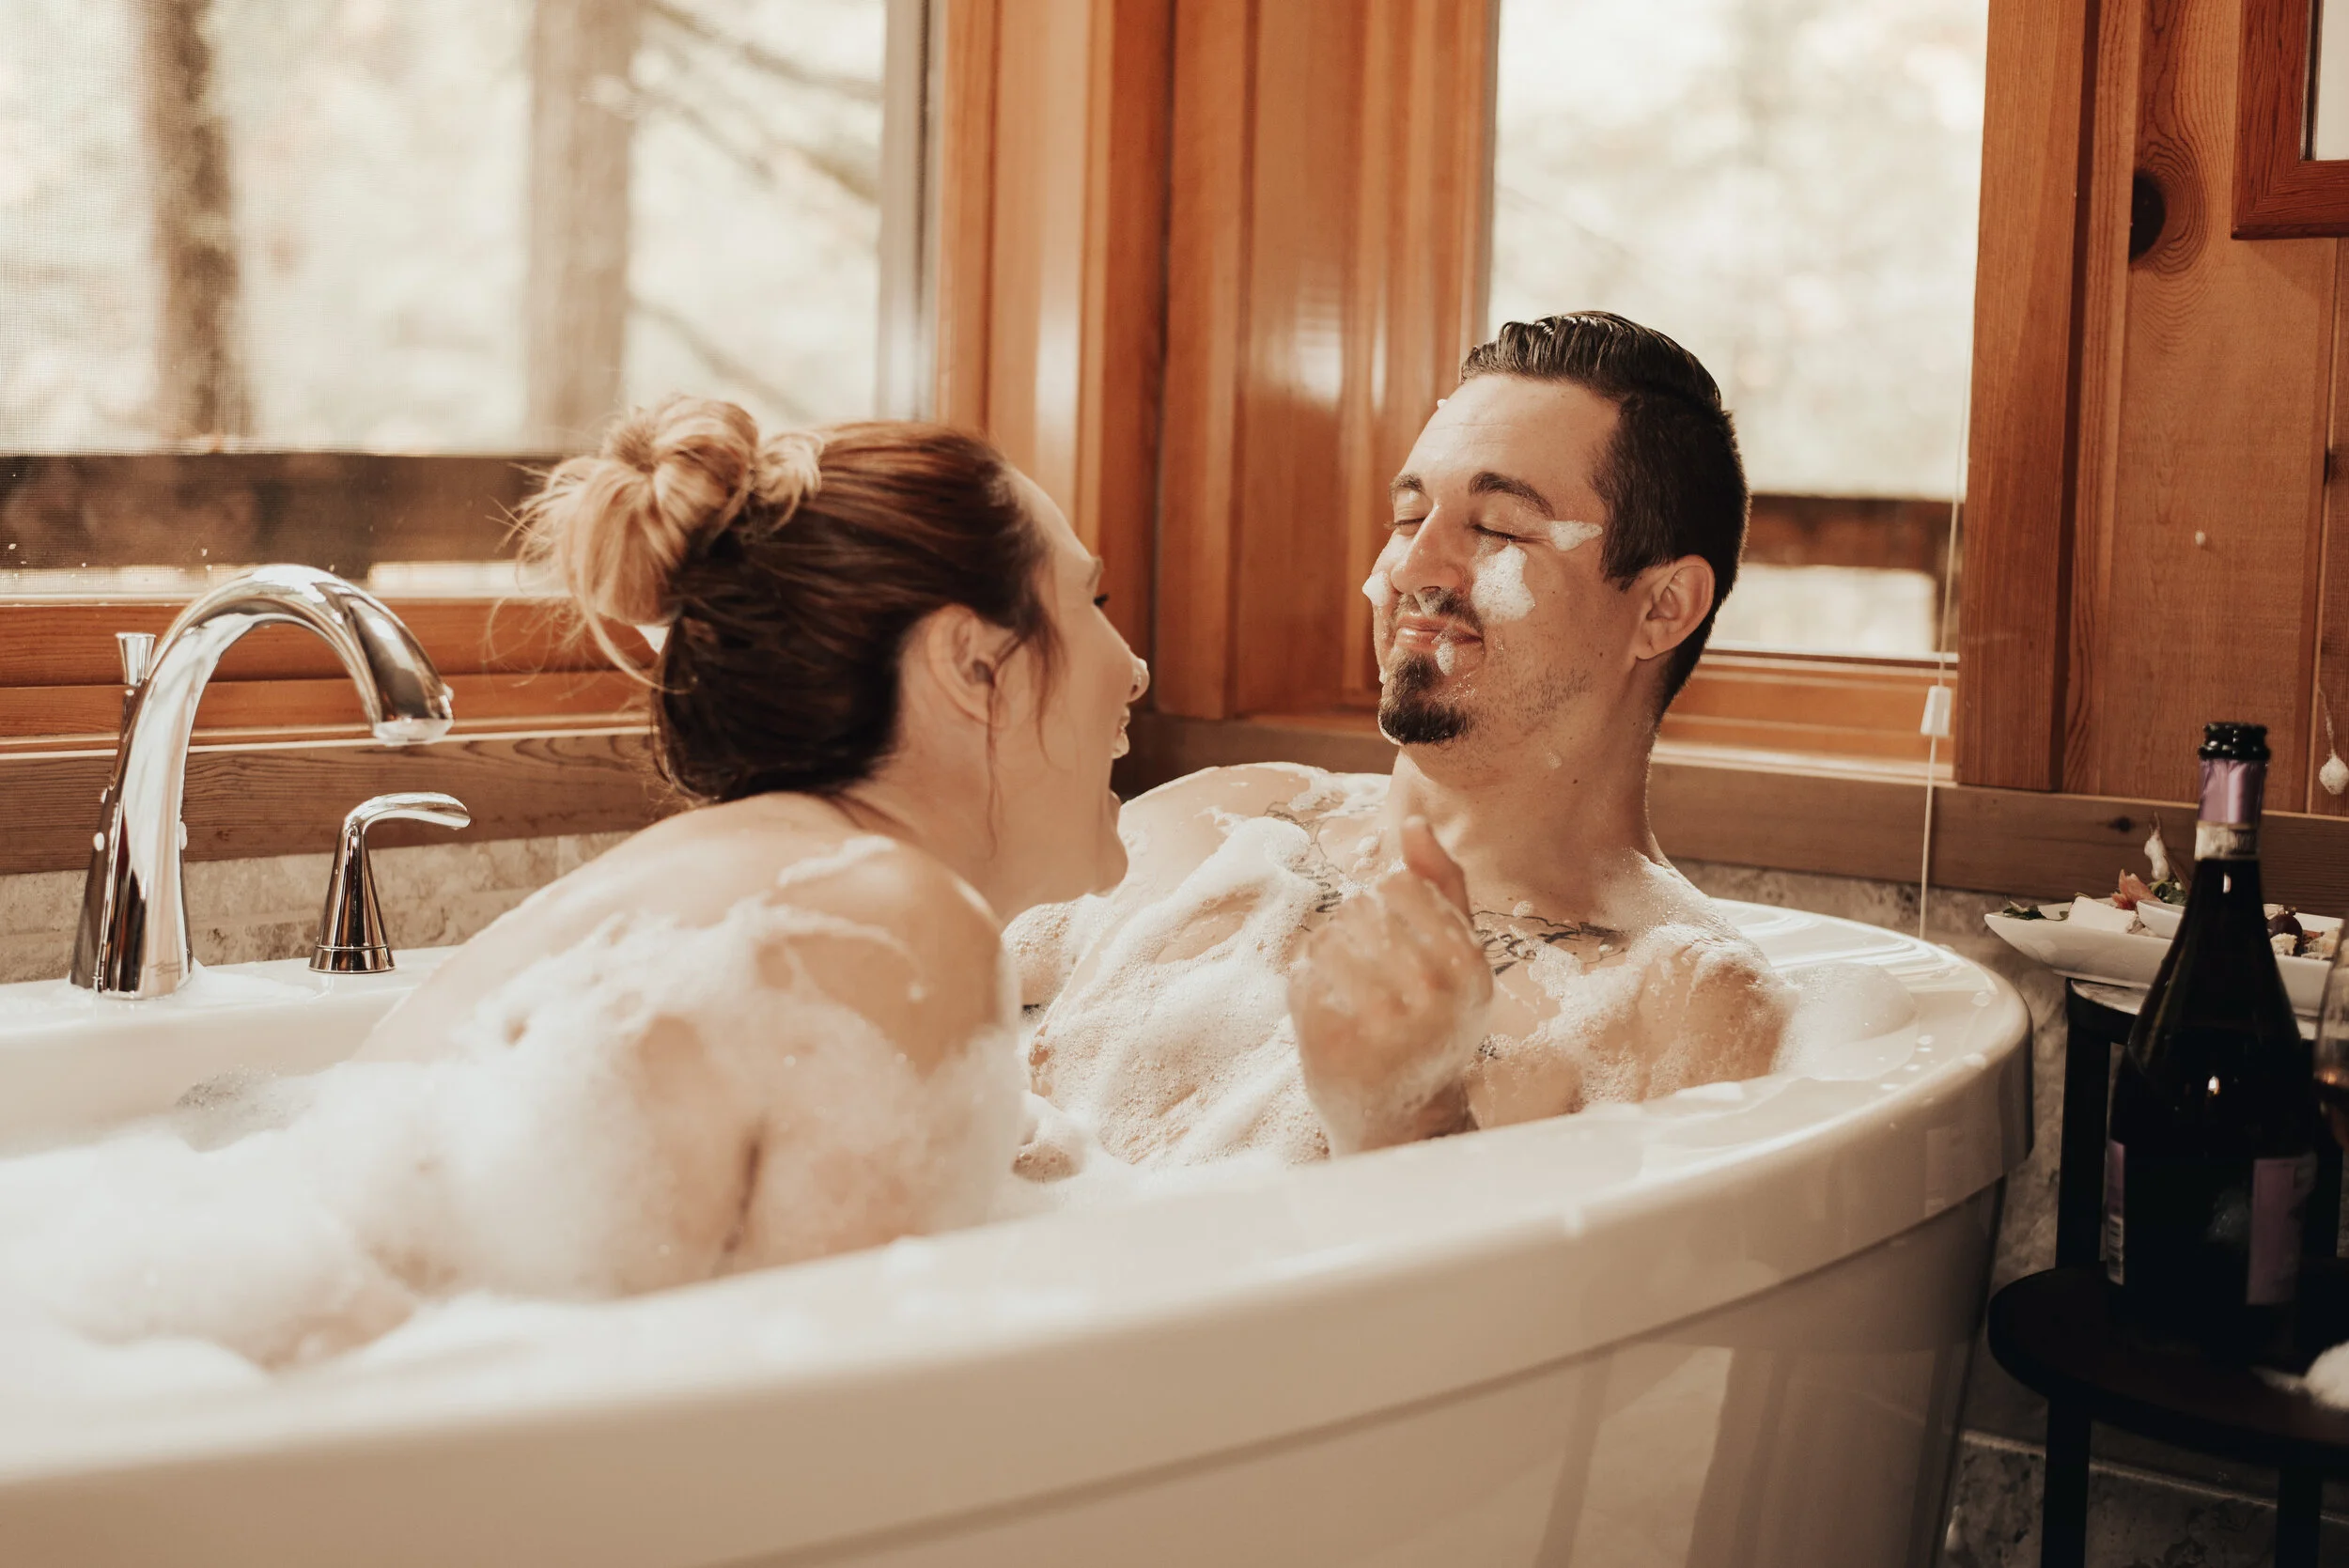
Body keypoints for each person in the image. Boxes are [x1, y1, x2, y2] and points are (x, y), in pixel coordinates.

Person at [0, 399, 1150, 1369]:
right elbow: (857, 1469)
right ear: (971, 662)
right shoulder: (891, 924)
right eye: (1090, 603)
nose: (1134, 666)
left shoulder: (701, 893)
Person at [1011, 313, 1791, 1169]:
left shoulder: (1682, 1005)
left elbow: (1566, 1302)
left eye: (1496, 526)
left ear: (1661, 607)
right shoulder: (1218, 827)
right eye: (1408, 514)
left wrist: (1410, 1122)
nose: (1412, 569)